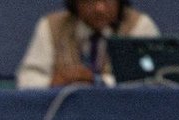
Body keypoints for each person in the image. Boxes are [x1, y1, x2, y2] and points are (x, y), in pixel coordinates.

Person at [16, 0, 160, 89]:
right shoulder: (51, 26)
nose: (99, 8)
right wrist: (52, 83)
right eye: (90, 0)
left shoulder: (139, 26)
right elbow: (26, 78)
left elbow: (153, 81)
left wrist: (97, 81)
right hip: (65, 118)